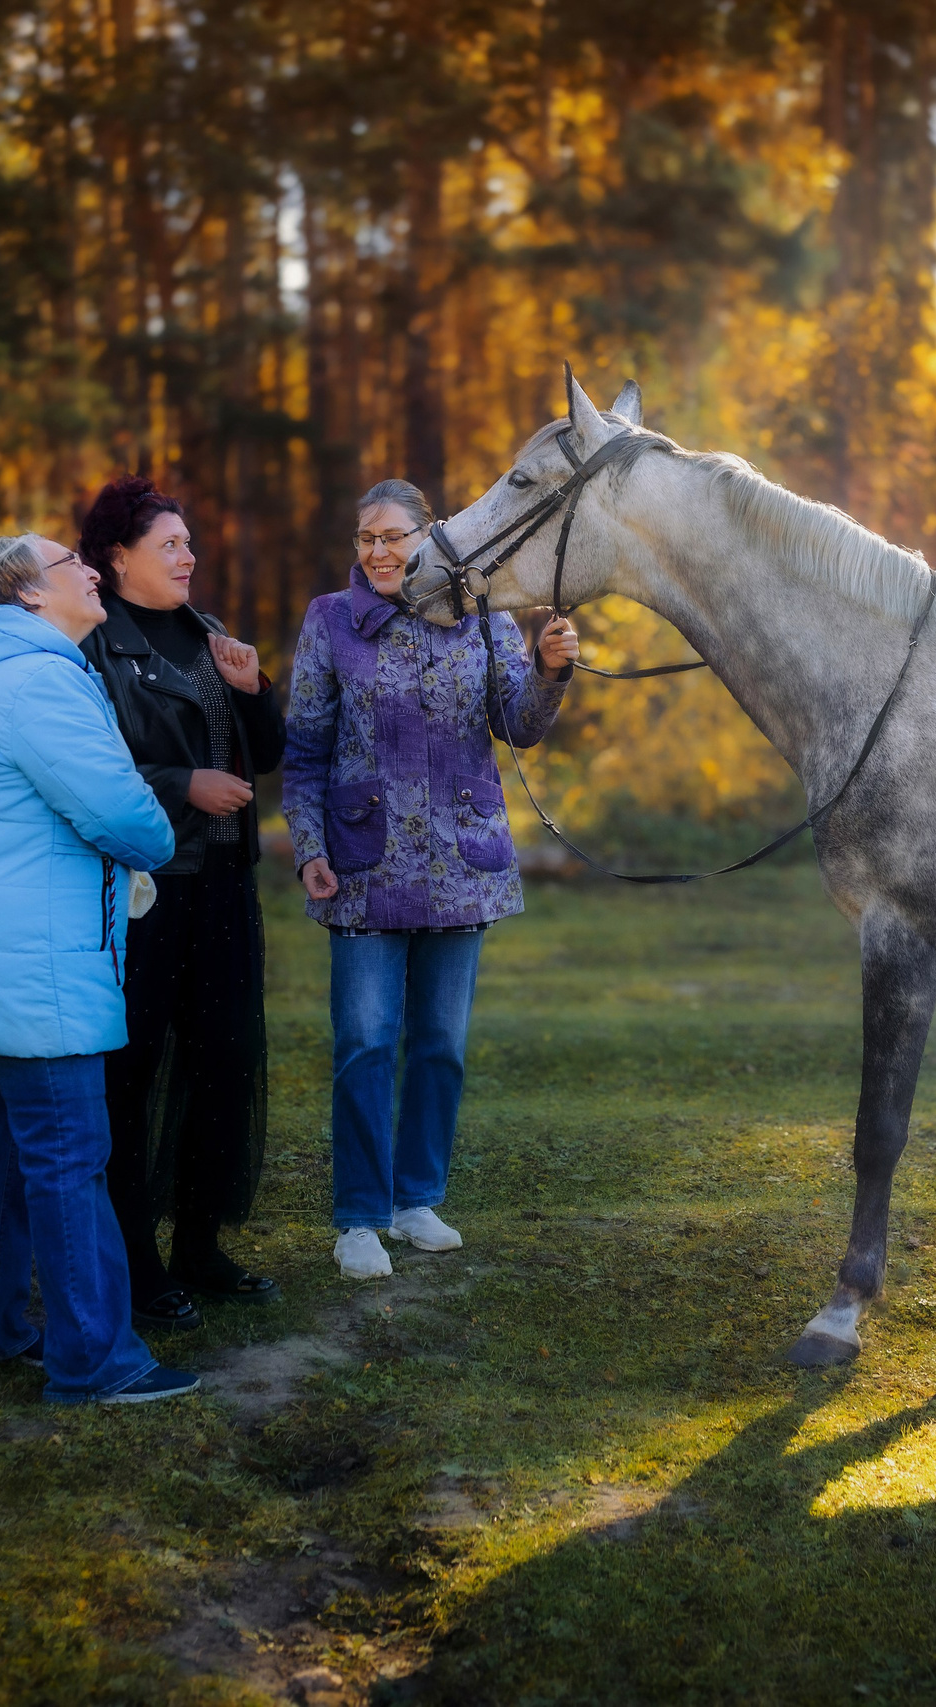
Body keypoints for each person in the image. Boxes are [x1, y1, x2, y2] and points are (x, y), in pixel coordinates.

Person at [0, 532, 201, 1406]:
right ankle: (94, 1359)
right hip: (36, 958)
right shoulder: (43, 682)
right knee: (69, 1158)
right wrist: (158, 836)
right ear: (27, 595)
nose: (90, 570)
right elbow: (120, 810)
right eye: (69, 563)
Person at [281, 479, 580, 1280]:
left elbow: (519, 724)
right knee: (365, 1043)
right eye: (365, 537)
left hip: (461, 862)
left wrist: (550, 671)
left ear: (429, 536)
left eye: (393, 536)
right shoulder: (329, 621)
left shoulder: (484, 615)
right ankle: (358, 1217)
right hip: (361, 866)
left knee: (441, 1045)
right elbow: (304, 751)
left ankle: (416, 1201)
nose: (378, 552)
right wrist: (308, 843)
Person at [77, 477, 287, 1332]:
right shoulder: (93, 648)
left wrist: (252, 693)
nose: (188, 555)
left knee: (225, 1060)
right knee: (131, 1073)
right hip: (147, 890)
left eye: (189, 542)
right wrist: (181, 785)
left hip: (227, 884)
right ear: (117, 557)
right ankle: (137, 1259)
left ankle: (200, 1242)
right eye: (169, 544)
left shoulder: (208, 636)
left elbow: (265, 755)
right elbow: (87, 768)